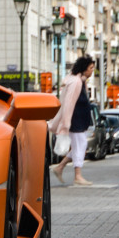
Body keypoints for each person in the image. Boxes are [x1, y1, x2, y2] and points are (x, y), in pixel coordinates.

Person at [49, 55, 96, 186]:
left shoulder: (80, 81)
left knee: (79, 146)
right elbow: (69, 103)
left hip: (79, 120)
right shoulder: (76, 82)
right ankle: (77, 176)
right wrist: (66, 123)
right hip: (75, 120)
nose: (92, 71)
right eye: (91, 68)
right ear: (84, 68)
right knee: (81, 145)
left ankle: (59, 167)